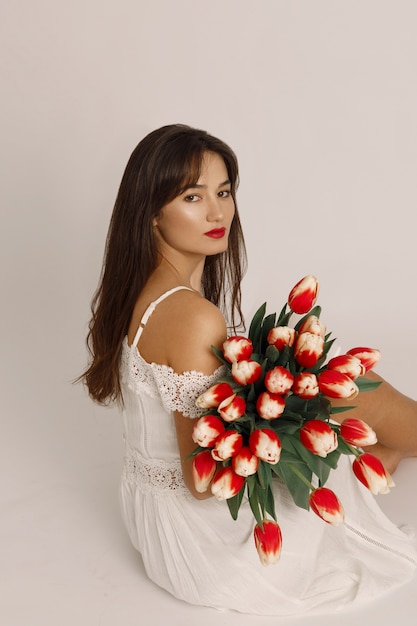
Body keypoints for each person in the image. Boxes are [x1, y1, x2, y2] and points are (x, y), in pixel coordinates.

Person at [81, 124, 417, 616]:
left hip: (152, 520)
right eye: (193, 197)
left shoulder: (145, 289)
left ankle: (385, 451)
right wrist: (291, 408)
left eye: (223, 191)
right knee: (348, 388)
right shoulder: (193, 317)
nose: (218, 212)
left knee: (327, 387)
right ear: (152, 213)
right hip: (204, 546)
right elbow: (201, 484)